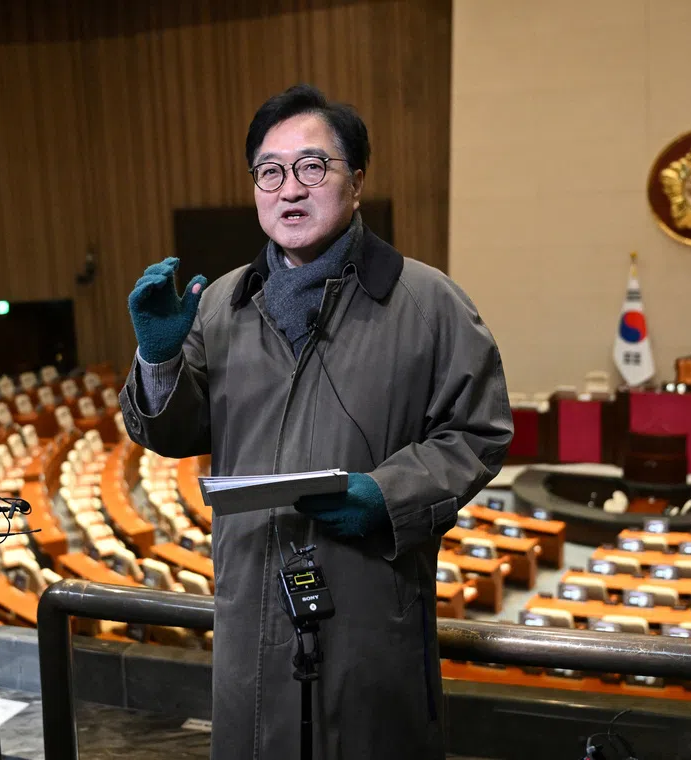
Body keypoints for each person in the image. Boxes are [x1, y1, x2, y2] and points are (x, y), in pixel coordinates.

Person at [120, 83, 512, 760]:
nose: (289, 189)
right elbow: (171, 433)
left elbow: (477, 433)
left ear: (356, 182)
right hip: (251, 606)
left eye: (312, 167)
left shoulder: (428, 302)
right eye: (269, 171)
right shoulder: (218, 306)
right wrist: (158, 360)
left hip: (368, 601)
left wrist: (388, 495)